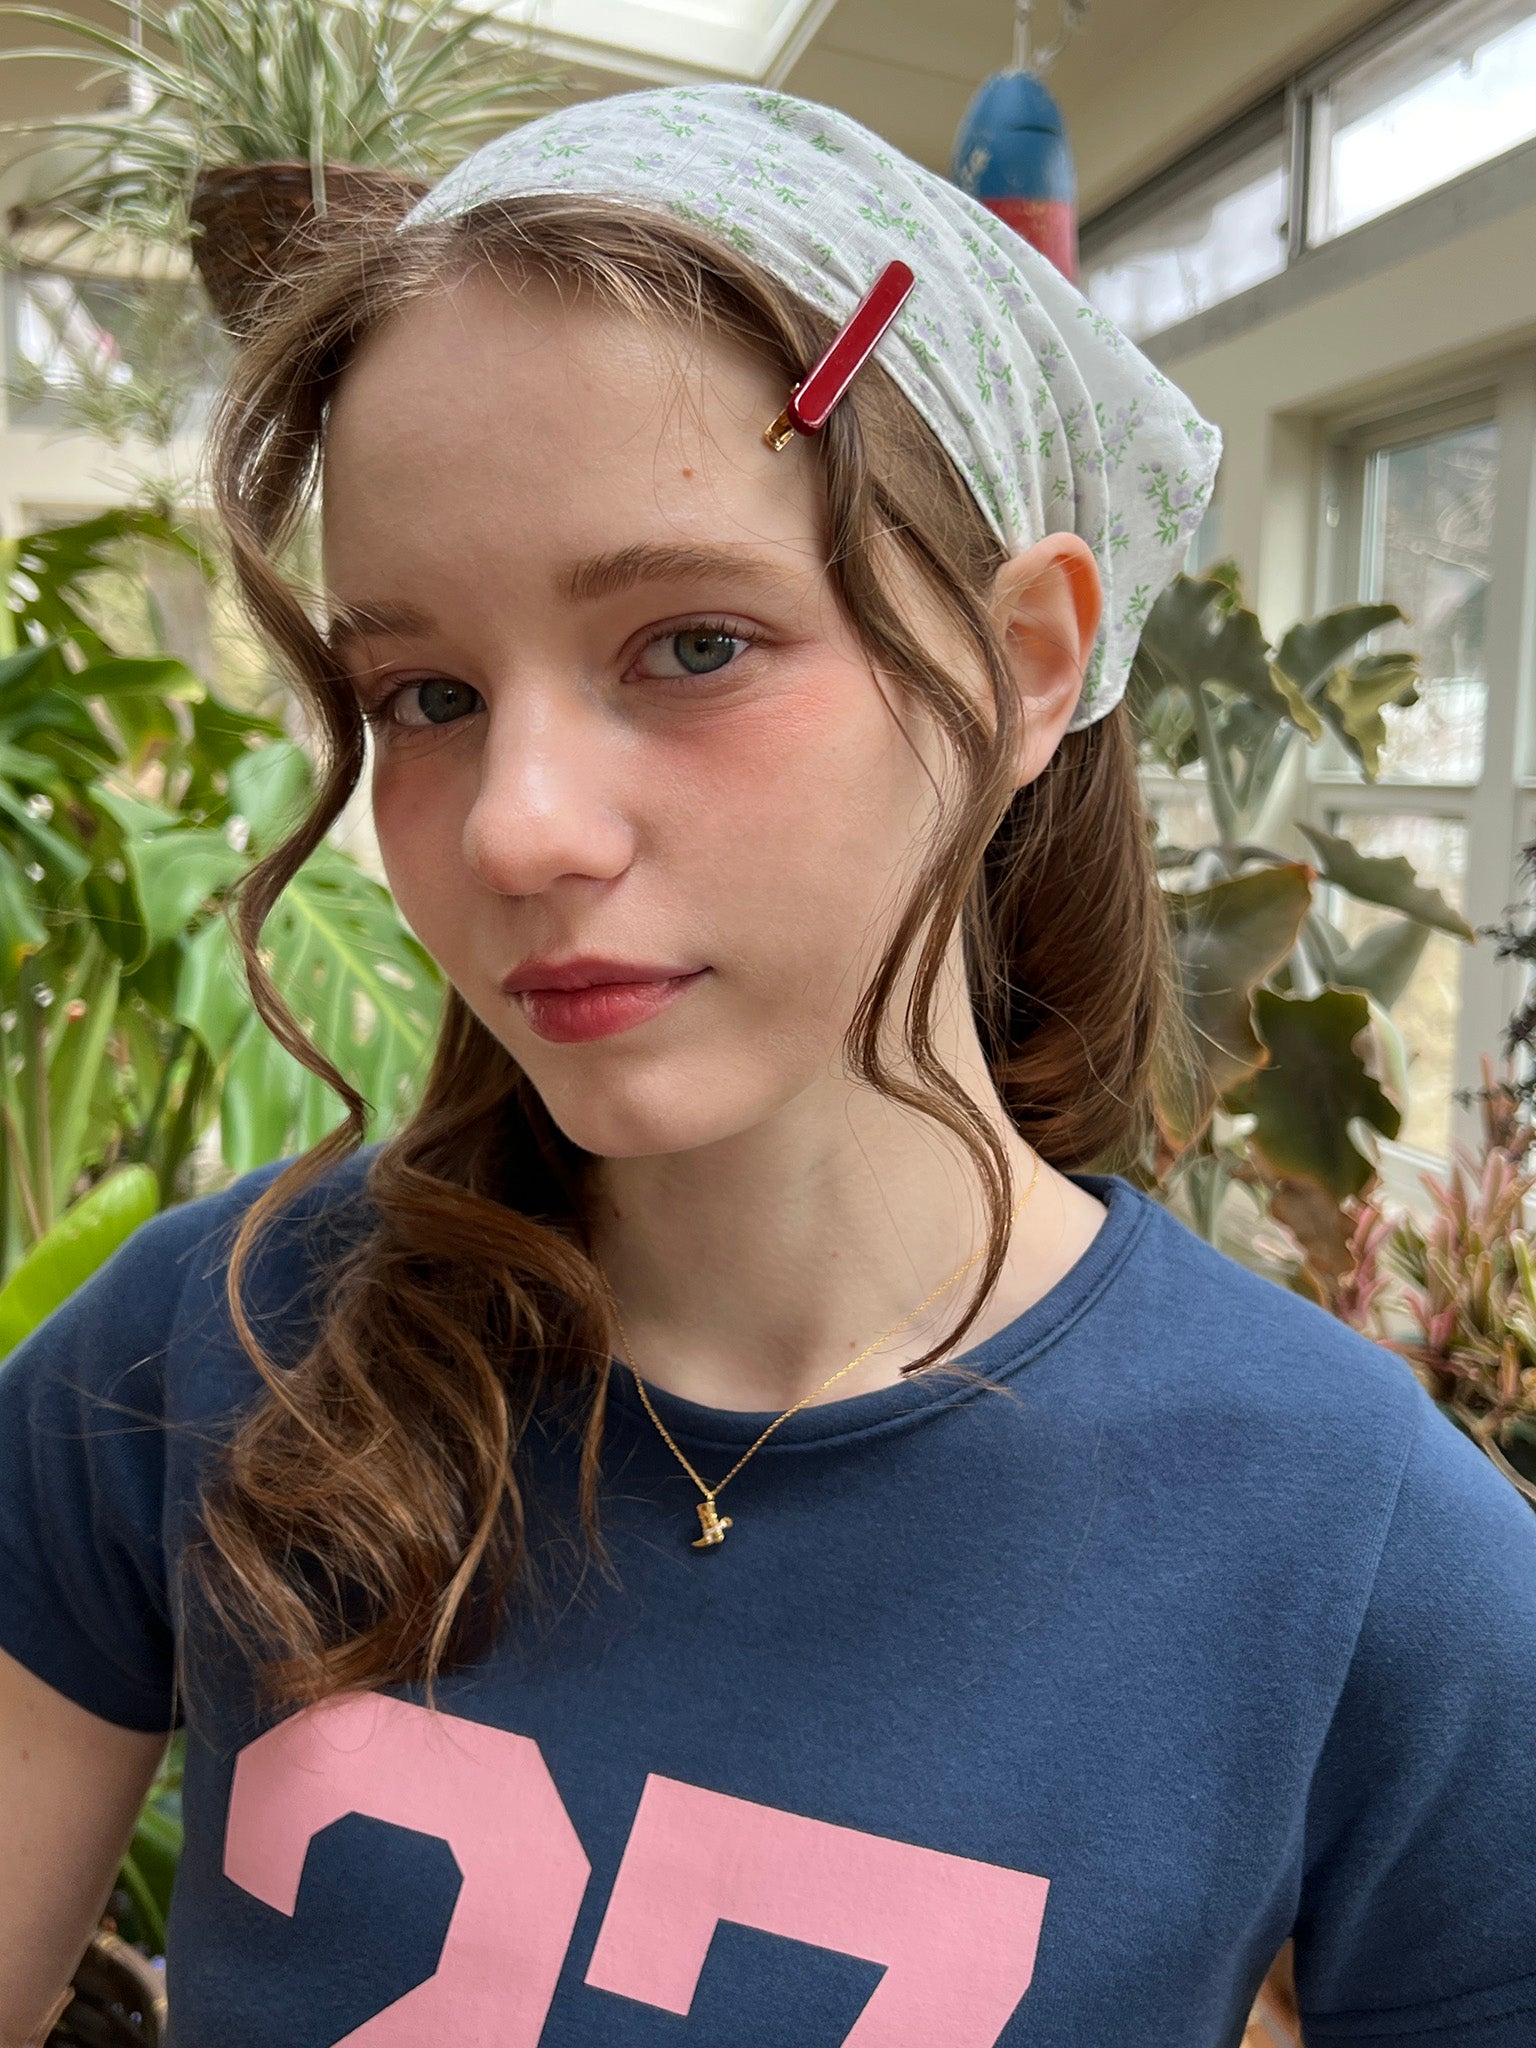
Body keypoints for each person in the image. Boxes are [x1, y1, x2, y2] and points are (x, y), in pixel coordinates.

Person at [0, 81, 1532, 2048]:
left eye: (695, 644)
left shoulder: (1362, 1548)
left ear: (1026, 662)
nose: (518, 828)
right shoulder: (202, 1354)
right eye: (428, 693)